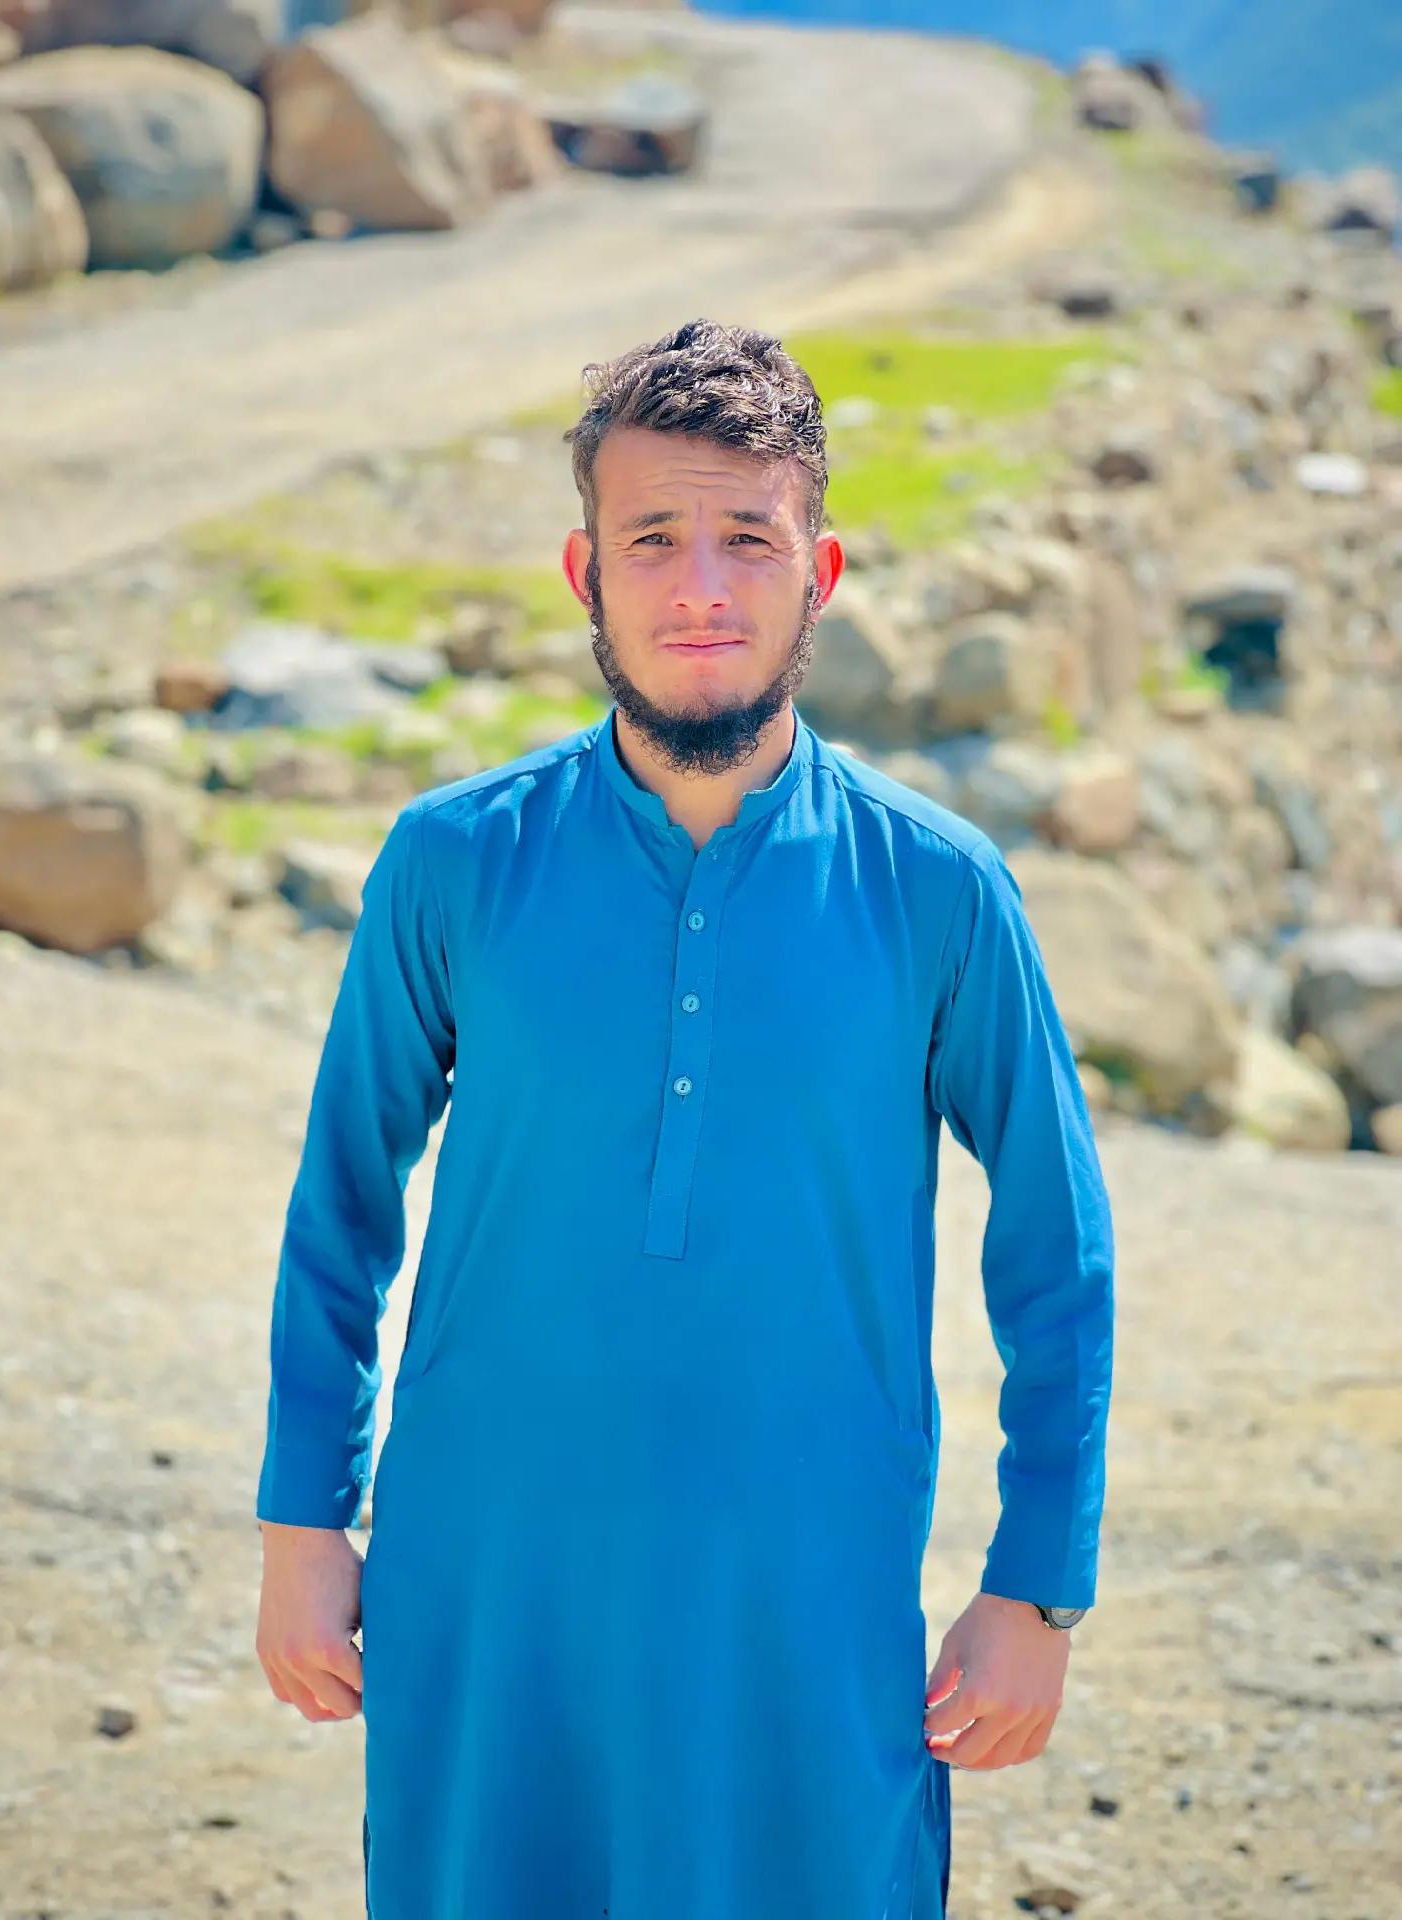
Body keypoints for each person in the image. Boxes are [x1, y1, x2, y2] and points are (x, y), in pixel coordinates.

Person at [253, 317, 1116, 1919]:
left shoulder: (940, 891)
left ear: (821, 574)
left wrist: (1037, 1586)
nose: (701, 587)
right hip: (491, 1596)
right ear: (585, 574)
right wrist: (304, 1518)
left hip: (807, 1608)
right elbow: (342, 1205)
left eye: (748, 539)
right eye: (653, 539)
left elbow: (1059, 1254)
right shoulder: (453, 861)